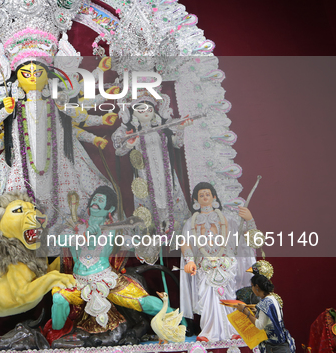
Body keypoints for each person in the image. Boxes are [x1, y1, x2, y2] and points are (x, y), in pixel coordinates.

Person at [0, 59, 112, 264]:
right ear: (16, 78)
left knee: (77, 208)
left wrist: (99, 74)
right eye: (26, 74)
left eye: (38, 73)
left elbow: (79, 109)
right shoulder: (13, 104)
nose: (33, 78)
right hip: (20, 168)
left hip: (59, 167)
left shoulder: (57, 99)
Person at [51, 185, 185, 331]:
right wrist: (85, 236)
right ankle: (56, 335)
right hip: (79, 282)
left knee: (144, 302)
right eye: (94, 198)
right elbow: (61, 240)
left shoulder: (113, 232)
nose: (96, 201)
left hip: (107, 280)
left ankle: (178, 318)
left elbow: (136, 244)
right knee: (58, 298)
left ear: (110, 209)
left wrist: (159, 239)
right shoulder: (76, 228)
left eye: (101, 199)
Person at [180, 182, 255, 342]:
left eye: (207, 194)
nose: (205, 197)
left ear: (214, 197)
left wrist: (249, 220)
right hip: (204, 266)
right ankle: (207, 332)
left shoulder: (227, 218)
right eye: (201, 195)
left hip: (225, 264)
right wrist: (189, 260)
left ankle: (233, 329)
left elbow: (244, 237)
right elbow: (185, 242)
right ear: (195, 200)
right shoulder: (191, 222)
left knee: (229, 294)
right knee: (207, 299)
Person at [111, 91, 191, 241]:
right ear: (133, 112)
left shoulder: (163, 130)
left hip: (166, 174)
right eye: (140, 109)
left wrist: (181, 129)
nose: (146, 112)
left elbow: (178, 143)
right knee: (147, 209)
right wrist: (129, 144)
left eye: (149, 109)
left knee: (171, 199)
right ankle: (151, 238)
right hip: (144, 177)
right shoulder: (130, 132)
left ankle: (176, 236)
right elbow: (119, 151)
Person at [236, 274, 296, 353]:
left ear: (256, 286)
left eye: (252, 286)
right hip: (283, 343)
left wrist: (246, 312)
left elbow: (260, 325)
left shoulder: (264, 303)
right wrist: (257, 312)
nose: (252, 289)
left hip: (275, 348)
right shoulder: (272, 298)